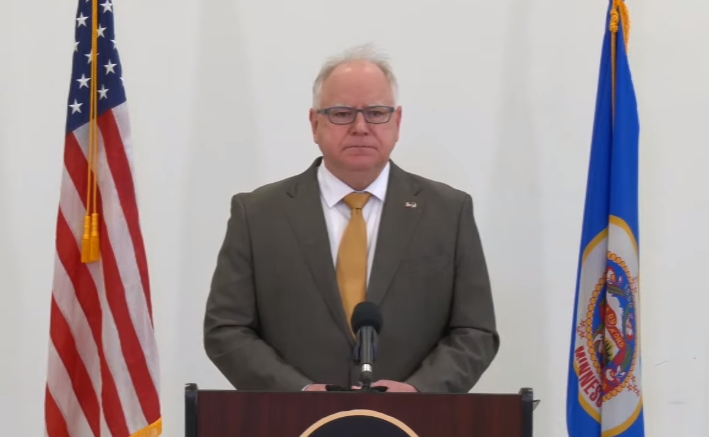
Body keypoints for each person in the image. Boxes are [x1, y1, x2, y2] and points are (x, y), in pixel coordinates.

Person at [203, 44, 499, 393]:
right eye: (342, 113)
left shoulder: (448, 212)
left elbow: (475, 331)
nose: (360, 127)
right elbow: (227, 329)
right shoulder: (258, 214)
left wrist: (420, 393)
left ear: (397, 122)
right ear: (315, 124)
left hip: (411, 419)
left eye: (376, 113)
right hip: (292, 418)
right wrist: (296, 393)